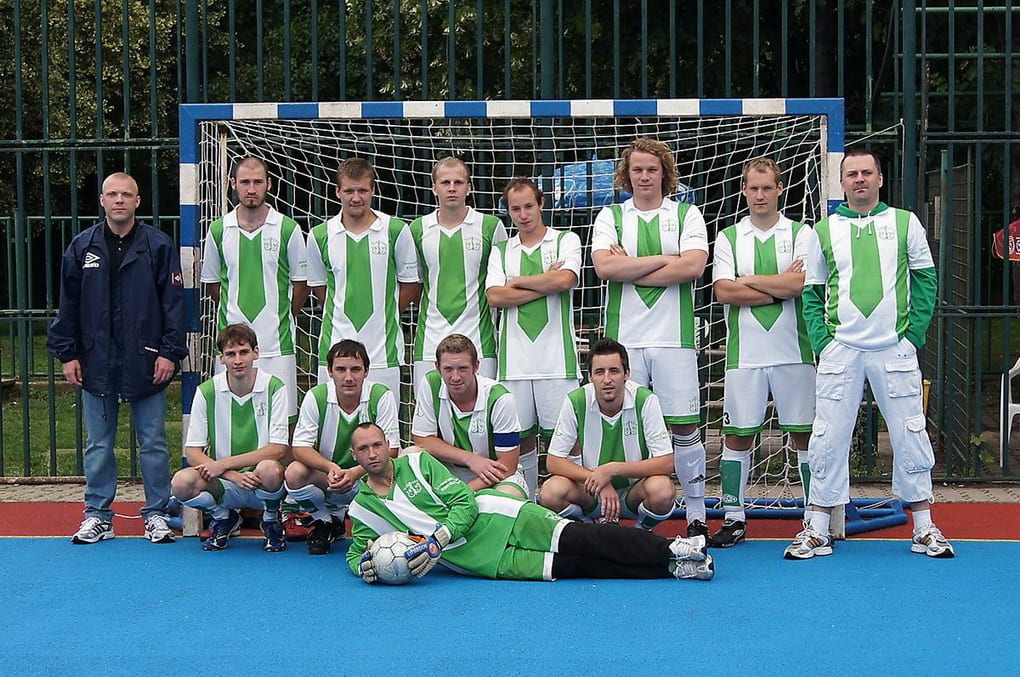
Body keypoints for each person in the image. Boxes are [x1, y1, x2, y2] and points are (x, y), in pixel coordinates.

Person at [785, 148, 954, 560]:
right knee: (828, 434)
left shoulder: (905, 222)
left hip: (893, 348)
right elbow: (812, 293)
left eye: (866, 172)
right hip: (841, 349)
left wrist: (912, 337)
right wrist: (824, 343)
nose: (859, 179)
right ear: (841, 182)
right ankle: (817, 527)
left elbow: (926, 280)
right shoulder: (821, 231)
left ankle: (924, 526)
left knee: (910, 431)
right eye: (852, 174)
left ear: (880, 178)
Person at [346, 423, 715, 582]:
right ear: (355, 456)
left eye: (377, 444)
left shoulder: (417, 462)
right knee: (576, 567)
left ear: (388, 445)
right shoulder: (363, 508)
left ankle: (673, 547)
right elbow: (356, 552)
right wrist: (366, 569)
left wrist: (438, 540)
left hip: (500, 517)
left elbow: (465, 503)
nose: (372, 453)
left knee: (584, 539)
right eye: (364, 449)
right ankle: (672, 568)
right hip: (482, 561)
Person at [48, 172, 188, 545]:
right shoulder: (82, 247)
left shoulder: (157, 245)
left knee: (153, 441)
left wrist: (169, 352)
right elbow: (68, 305)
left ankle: (156, 513)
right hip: (96, 362)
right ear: (102, 200)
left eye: (127, 194)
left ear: (138, 201)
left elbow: (173, 306)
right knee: (98, 444)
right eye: (113, 194)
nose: (120, 200)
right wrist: (68, 354)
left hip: (146, 360)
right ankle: (97, 515)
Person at [591, 138, 711, 538]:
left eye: (652, 169)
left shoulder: (686, 213)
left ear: (664, 173)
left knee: (685, 427)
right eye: (637, 169)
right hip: (625, 341)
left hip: (674, 337)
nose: (644, 176)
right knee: (626, 423)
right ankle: (623, 511)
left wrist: (631, 265)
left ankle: (696, 515)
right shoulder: (611, 216)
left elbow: (693, 267)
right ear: (627, 175)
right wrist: (665, 259)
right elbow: (605, 268)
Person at [710, 158, 819, 547]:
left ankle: (814, 518)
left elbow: (801, 284)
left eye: (767, 188)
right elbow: (724, 291)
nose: (760, 195)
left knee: (804, 435)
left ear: (779, 190)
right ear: (744, 190)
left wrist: (750, 280)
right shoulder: (729, 237)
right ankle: (734, 518)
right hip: (745, 355)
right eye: (753, 188)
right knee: (737, 436)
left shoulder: (802, 233)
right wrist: (779, 285)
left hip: (795, 351)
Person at [485, 178, 582, 499]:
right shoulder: (501, 250)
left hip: (558, 363)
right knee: (520, 441)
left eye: (529, 206)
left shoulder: (565, 240)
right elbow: (495, 297)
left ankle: (577, 507)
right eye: (516, 209)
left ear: (541, 203)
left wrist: (517, 281)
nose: (523, 214)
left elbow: (565, 280)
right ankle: (526, 506)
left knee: (568, 441)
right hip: (514, 365)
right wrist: (544, 280)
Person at [200, 156, 308, 421]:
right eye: (245, 182)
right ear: (233, 184)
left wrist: (282, 316)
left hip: (277, 344)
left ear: (269, 184)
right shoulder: (218, 230)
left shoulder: (287, 229)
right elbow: (213, 285)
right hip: (232, 347)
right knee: (230, 418)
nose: (251, 189)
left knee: (283, 421)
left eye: (258, 182)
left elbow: (301, 284)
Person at [305, 157, 421, 400]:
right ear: (337, 191)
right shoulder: (319, 235)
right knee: (334, 421)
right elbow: (320, 290)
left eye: (362, 191)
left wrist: (384, 310)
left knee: (385, 422)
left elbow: (410, 285)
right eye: (349, 191)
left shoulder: (396, 231)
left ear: (373, 190)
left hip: (383, 354)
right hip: (334, 350)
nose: (356, 198)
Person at [172, 324, 290, 552]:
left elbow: (278, 449)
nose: (238, 360)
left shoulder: (274, 387)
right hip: (224, 481)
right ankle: (223, 517)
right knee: (180, 483)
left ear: (256, 353)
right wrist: (231, 474)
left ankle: (270, 519)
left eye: (244, 352)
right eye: (230, 354)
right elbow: (193, 452)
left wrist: (223, 464)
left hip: (260, 480)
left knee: (270, 468)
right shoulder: (206, 391)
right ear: (221, 358)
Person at [541, 338, 676, 531]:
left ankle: (639, 533)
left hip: (633, 493)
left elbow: (666, 463)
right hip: (591, 493)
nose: (607, 379)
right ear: (590, 377)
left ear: (627, 374)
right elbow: (553, 462)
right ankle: (588, 531)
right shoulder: (576, 401)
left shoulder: (645, 400)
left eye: (614, 371)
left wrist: (612, 470)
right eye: (599, 372)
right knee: (550, 492)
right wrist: (599, 479)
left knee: (662, 490)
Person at [285, 339, 401, 555]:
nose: (348, 377)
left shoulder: (381, 396)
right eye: (341, 369)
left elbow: (391, 450)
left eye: (355, 369)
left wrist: (355, 472)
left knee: (394, 475)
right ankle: (324, 521)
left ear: (366, 372)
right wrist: (331, 468)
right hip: (331, 478)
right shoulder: (316, 396)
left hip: (368, 479)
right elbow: (300, 448)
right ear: (330, 371)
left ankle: (373, 525)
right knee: (294, 472)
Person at [408, 157, 508, 389]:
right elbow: (414, 284)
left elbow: (502, 280)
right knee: (430, 409)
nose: (452, 188)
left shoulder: (491, 226)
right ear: (434, 188)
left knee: (482, 407)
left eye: (458, 182)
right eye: (445, 182)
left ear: (469, 187)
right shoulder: (417, 229)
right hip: (430, 341)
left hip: (480, 342)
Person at [411, 334, 526, 497]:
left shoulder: (500, 398)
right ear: (437, 367)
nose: (455, 377)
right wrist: (470, 459)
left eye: (463, 368)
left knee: (509, 494)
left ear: (476, 366)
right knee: (411, 454)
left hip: (493, 475)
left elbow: (507, 465)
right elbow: (422, 441)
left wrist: (463, 494)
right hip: (448, 471)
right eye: (448, 369)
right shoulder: (431, 383)